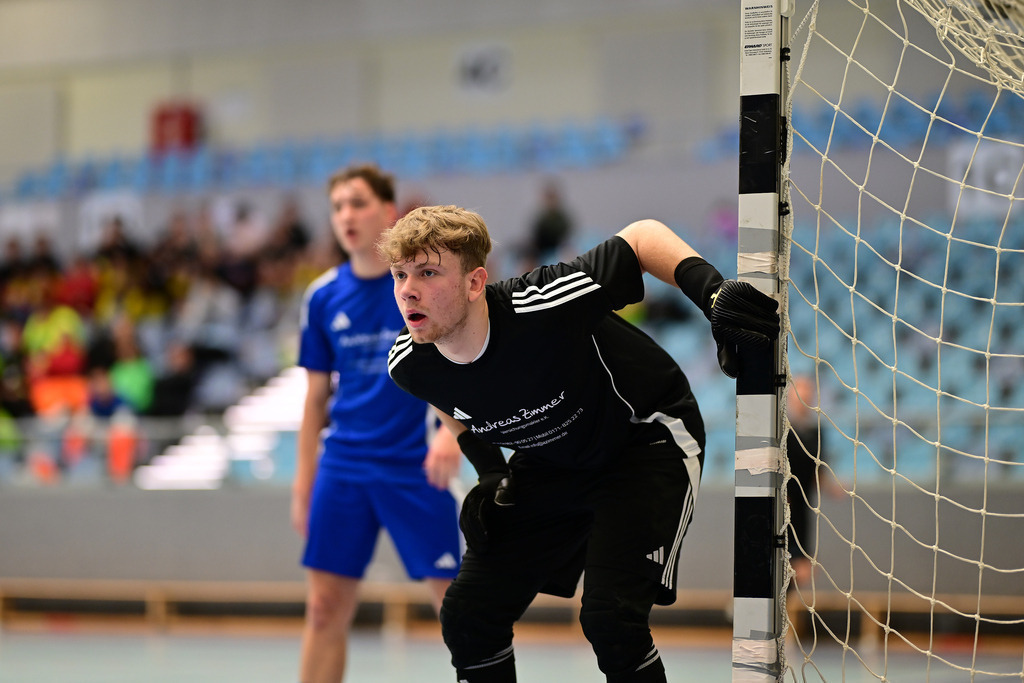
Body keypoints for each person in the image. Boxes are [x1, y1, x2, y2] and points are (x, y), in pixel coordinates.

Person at [379, 205, 779, 683]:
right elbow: (448, 403)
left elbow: (641, 237)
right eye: (400, 275)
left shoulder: (542, 303)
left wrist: (712, 294)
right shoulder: (409, 363)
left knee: (611, 620)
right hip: (553, 460)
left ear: (473, 282)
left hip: (645, 438)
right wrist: (491, 471)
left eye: (427, 272)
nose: (408, 290)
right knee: (468, 615)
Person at [292, 166, 463, 683]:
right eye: (338, 206)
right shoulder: (321, 298)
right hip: (343, 468)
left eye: (358, 203)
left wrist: (451, 434)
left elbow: (456, 365)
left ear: (388, 213)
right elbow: (314, 399)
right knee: (323, 611)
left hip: (415, 467)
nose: (346, 215)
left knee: (458, 613)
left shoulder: (421, 287)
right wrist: (304, 481)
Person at [786, 374, 825, 590]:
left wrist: (834, 487)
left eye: (809, 390)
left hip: (803, 511)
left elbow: (819, 472)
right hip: (784, 511)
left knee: (800, 574)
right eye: (800, 390)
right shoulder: (782, 431)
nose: (805, 395)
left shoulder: (816, 433)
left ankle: (785, 621)